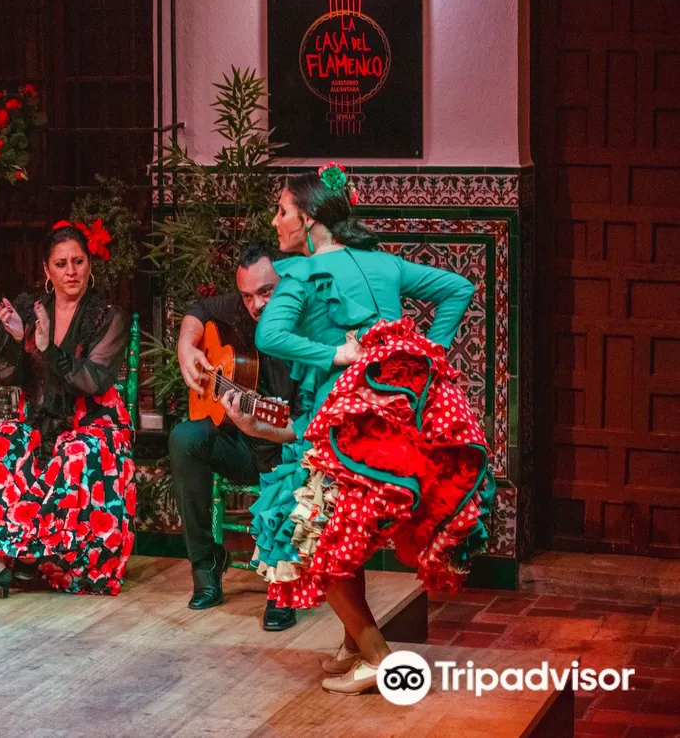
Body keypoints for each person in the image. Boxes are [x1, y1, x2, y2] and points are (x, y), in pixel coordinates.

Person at [243, 164, 492, 695]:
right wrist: (426, 353)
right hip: (396, 422)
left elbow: (268, 334)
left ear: (309, 218)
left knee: (317, 542)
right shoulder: (384, 264)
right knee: (344, 535)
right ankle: (355, 644)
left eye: (282, 211)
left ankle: (379, 657)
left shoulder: (302, 274)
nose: (276, 220)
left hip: (340, 430)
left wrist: (337, 354)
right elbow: (459, 287)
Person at [0, 221, 136, 605]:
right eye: (61, 264)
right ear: (47, 270)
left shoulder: (106, 316)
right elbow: (6, 375)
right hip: (39, 418)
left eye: (78, 261)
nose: (71, 271)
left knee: (73, 453)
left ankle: (32, 560)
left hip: (94, 424)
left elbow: (92, 381)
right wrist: (19, 340)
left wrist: (47, 348)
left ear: (89, 264)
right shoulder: (30, 310)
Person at [168, 242, 301, 632]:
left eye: (266, 292)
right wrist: (186, 347)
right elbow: (199, 310)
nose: (256, 305)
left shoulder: (306, 329)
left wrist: (260, 424)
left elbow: (305, 424)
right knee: (185, 437)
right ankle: (206, 565)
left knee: (288, 465)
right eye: (247, 296)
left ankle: (283, 588)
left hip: (285, 448)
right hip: (242, 446)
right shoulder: (241, 308)